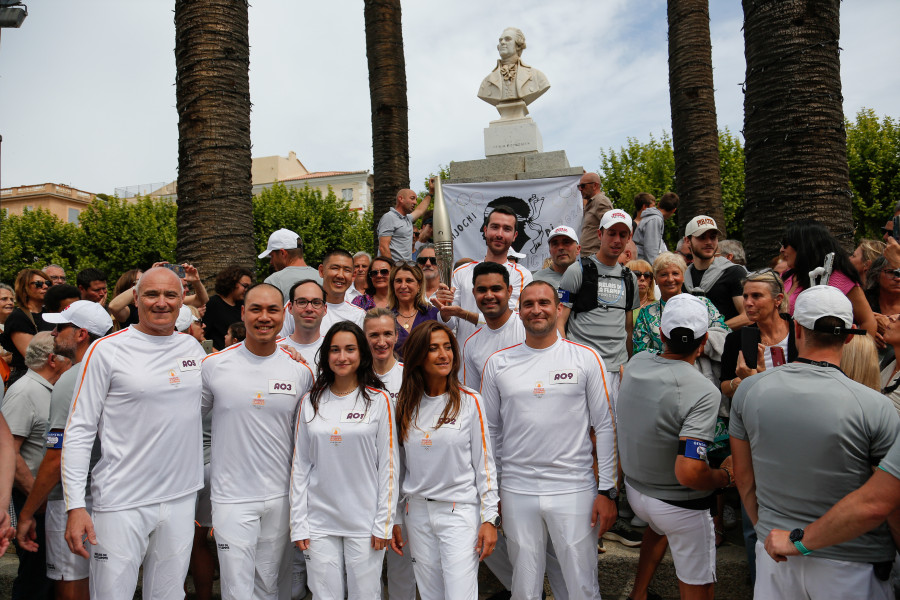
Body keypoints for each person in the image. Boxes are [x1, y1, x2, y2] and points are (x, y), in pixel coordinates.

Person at [730, 285, 898, 600]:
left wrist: (766, 528)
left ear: (796, 329)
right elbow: (887, 501)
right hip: (853, 564)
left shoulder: (749, 390)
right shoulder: (876, 407)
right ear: (849, 336)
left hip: (775, 554)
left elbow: (743, 477)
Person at [62, 266, 207, 600]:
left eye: (170, 295)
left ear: (182, 300)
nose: (161, 302)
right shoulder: (107, 350)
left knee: (169, 595)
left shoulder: (192, 350)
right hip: (120, 501)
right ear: (137, 298)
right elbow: (80, 430)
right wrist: (75, 506)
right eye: (152, 294)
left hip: (181, 497)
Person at [482, 281, 617, 600]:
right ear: (519, 311)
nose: (536, 309)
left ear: (558, 309)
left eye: (544, 303)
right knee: (525, 588)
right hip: (517, 490)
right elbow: (489, 434)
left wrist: (607, 490)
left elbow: (606, 426)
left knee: (581, 585)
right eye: (528, 304)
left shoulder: (586, 358)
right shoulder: (498, 364)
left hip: (574, 488)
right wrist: (493, 492)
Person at [618, 294, 736, 600]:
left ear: (661, 334)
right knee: (700, 589)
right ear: (704, 340)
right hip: (680, 504)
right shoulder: (703, 390)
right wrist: (724, 478)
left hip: (638, 494)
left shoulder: (637, 363)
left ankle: (639, 594)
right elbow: (689, 472)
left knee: (655, 529)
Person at [201, 283, 314, 599]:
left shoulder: (300, 372)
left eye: (272, 310)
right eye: (256, 309)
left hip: (280, 498)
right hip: (231, 498)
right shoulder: (213, 366)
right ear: (242, 313)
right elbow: (181, 424)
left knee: (268, 587)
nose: (264, 317)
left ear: (283, 314)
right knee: (236, 588)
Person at [290, 321, 399, 600]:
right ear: (326, 355)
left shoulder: (379, 400)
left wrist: (384, 523)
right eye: (335, 350)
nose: (342, 357)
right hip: (318, 522)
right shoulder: (310, 402)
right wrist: (299, 522)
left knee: (366, 595)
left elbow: (389, 465)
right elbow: (300, 467)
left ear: (362, 354)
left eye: (350, 349)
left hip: (364, 523)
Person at [393, 321, 498, 599]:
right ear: (417, 356)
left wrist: (490, 518)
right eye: (433, 348)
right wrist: (395, 517)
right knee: (430, 595)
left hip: (459, 513)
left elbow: (485, 464)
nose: (443, 355)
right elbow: (397, 466)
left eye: (448, 347)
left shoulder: (470, 400)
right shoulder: (404, 403)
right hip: (416, 513)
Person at [16, 301, 112, 600]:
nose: (54, 333)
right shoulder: (115, 368)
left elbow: (56, 456)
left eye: (61, 327)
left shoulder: (73, 378)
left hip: (73, 501)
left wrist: (28, 513)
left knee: (70, 585)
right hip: (114, 496)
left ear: (81, 334)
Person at [3, 331, 71, 600]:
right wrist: (36, 495)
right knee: (36, 579)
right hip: (32, 499)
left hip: (49, 500)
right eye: (69, 356)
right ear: (53, 359)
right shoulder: (24, 392)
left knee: (52, 577)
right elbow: (9, 452)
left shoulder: (54, 388)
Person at [558, 209, 640, 406]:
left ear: (629, 238)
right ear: (600, 234)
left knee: (613, 431)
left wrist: (627, 366)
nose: (617, 240)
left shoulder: (630, 278)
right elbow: (559, 322)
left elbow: (628, 330)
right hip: (582, 368)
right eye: (611, 233)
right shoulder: (576, 270)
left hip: (618, 371)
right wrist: (567, 364)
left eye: (622, 235)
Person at [362, 309, 416, 600]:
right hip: (363, 485)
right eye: (373, 335)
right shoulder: (352, 376)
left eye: (387, 334)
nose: (381, 341)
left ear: (397, 336)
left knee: (401, 564)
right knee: (364, 567)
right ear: (364, 337)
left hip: (404, 487)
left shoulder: (411, 377)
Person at [433, 206, 533, 361]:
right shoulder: (461, 272)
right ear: (485, 230)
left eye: (507, 229)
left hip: (505, 359)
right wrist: (445, 313)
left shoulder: (522, 276)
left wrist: (462, 313)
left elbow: (509, 321)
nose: (499, 234)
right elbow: (450, 324)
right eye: (495, 227)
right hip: (465, 360)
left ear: (515, 236)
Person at [780, 219, 877, 338]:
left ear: (803, 245)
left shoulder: (839, 279)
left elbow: (867, 321)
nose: (782, 250)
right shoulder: (785, 276)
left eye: (785, 244)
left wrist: (855, 353)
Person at [720, 269, 796, 403]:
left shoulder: (799, 333)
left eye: (756, 296)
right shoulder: (736, 339)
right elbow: (725, 388)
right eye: (745, 296)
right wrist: (740, 382)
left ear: (778, 299)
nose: (748, 303)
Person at [462, 262, 524, 392]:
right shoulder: (471, 344)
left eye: (496, 289)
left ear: (509, 291)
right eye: (482, 290)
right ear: (474, 293)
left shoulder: (528, 329)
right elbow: (473, 396)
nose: (489, 296)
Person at [279, 249, 365, 338]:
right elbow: (279, 343)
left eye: (347, 270)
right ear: (321, 271)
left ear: (353, 275)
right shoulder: (298, 305)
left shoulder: (358, 315)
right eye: (335, 268)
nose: (340, 275)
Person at [683, 215, 750, 329]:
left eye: (713, 237)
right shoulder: (684, 277)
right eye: (702, 237)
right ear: (687, 240)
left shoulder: (734, 272)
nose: (709, 242)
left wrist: (712, 332)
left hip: (729, 343)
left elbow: (748, 316)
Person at [1, 268, 52, 387]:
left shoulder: (51, 313)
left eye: (48, 283)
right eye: (38, 284)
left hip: (52, 375)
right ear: (24, 288)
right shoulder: (18, 317)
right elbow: (32, 357)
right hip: (29, 380)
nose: (45, 286)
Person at [477, 27, 550, 110]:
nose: (502, 42)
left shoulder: (537, 76)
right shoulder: (487, 82)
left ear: (518, 45)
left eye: (507, 39)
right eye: (500, 40)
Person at [390, 263, 439, 357]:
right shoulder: (385, 316)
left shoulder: (433, 314)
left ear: (419, 285)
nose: (403, 286)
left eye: (409, 281)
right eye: (398, 281)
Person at [260, 228, 323, 299]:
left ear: (282, 253)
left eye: (272, 256)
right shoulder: (323, 278)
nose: (271, 262)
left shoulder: (274, 281)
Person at [202, 265, 253, 350]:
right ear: (232, 282)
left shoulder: (243, 305)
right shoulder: (213, 304)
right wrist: (216, 354)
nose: (247, 290)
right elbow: (201, 336)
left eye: (249, 287)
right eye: (245, 286)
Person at [377, 185, 431, 262]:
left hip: (404, 269)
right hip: (394, 269)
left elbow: (420, 210)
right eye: (412, 198)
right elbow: (383, 247)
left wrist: (430, 193)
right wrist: (393, 269)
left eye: (416, 199)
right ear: (401, 198)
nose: (415, 202)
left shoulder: (407, 219)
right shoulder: (389, 217)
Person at [284, 280, 328, 368]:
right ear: (290, 308)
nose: (309, 309)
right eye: (302, 302)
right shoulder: (276, 349)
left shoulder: (334, 350)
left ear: (325, 309)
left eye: (316, 303)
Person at [634, 192, 678, 264]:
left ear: (658, 204)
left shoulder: (654, 218)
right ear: (674, 210)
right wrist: (656, 270)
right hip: (643, 264)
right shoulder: (655, 219)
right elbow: (651, 250)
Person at [577, 172, 613, 258]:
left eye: (583, 186)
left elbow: (611, 227)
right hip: (589, 256)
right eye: (579, 186)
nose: (580, 189)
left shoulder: (601, 201)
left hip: (595, 256)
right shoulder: (593, 202)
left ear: (595, 186)